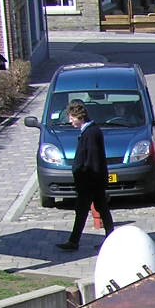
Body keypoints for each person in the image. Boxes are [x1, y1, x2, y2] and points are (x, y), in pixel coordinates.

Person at [56, 100, 114, 251]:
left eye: (72, 117)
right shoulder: (89, 131)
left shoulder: (91, 133)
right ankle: (108, 238)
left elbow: (93, 160)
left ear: (80, 116)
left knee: (85, 210)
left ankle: (75, 241)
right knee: (97, 209)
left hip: (90, 181)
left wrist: (88, 179)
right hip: (91, 181)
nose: (70, 121)